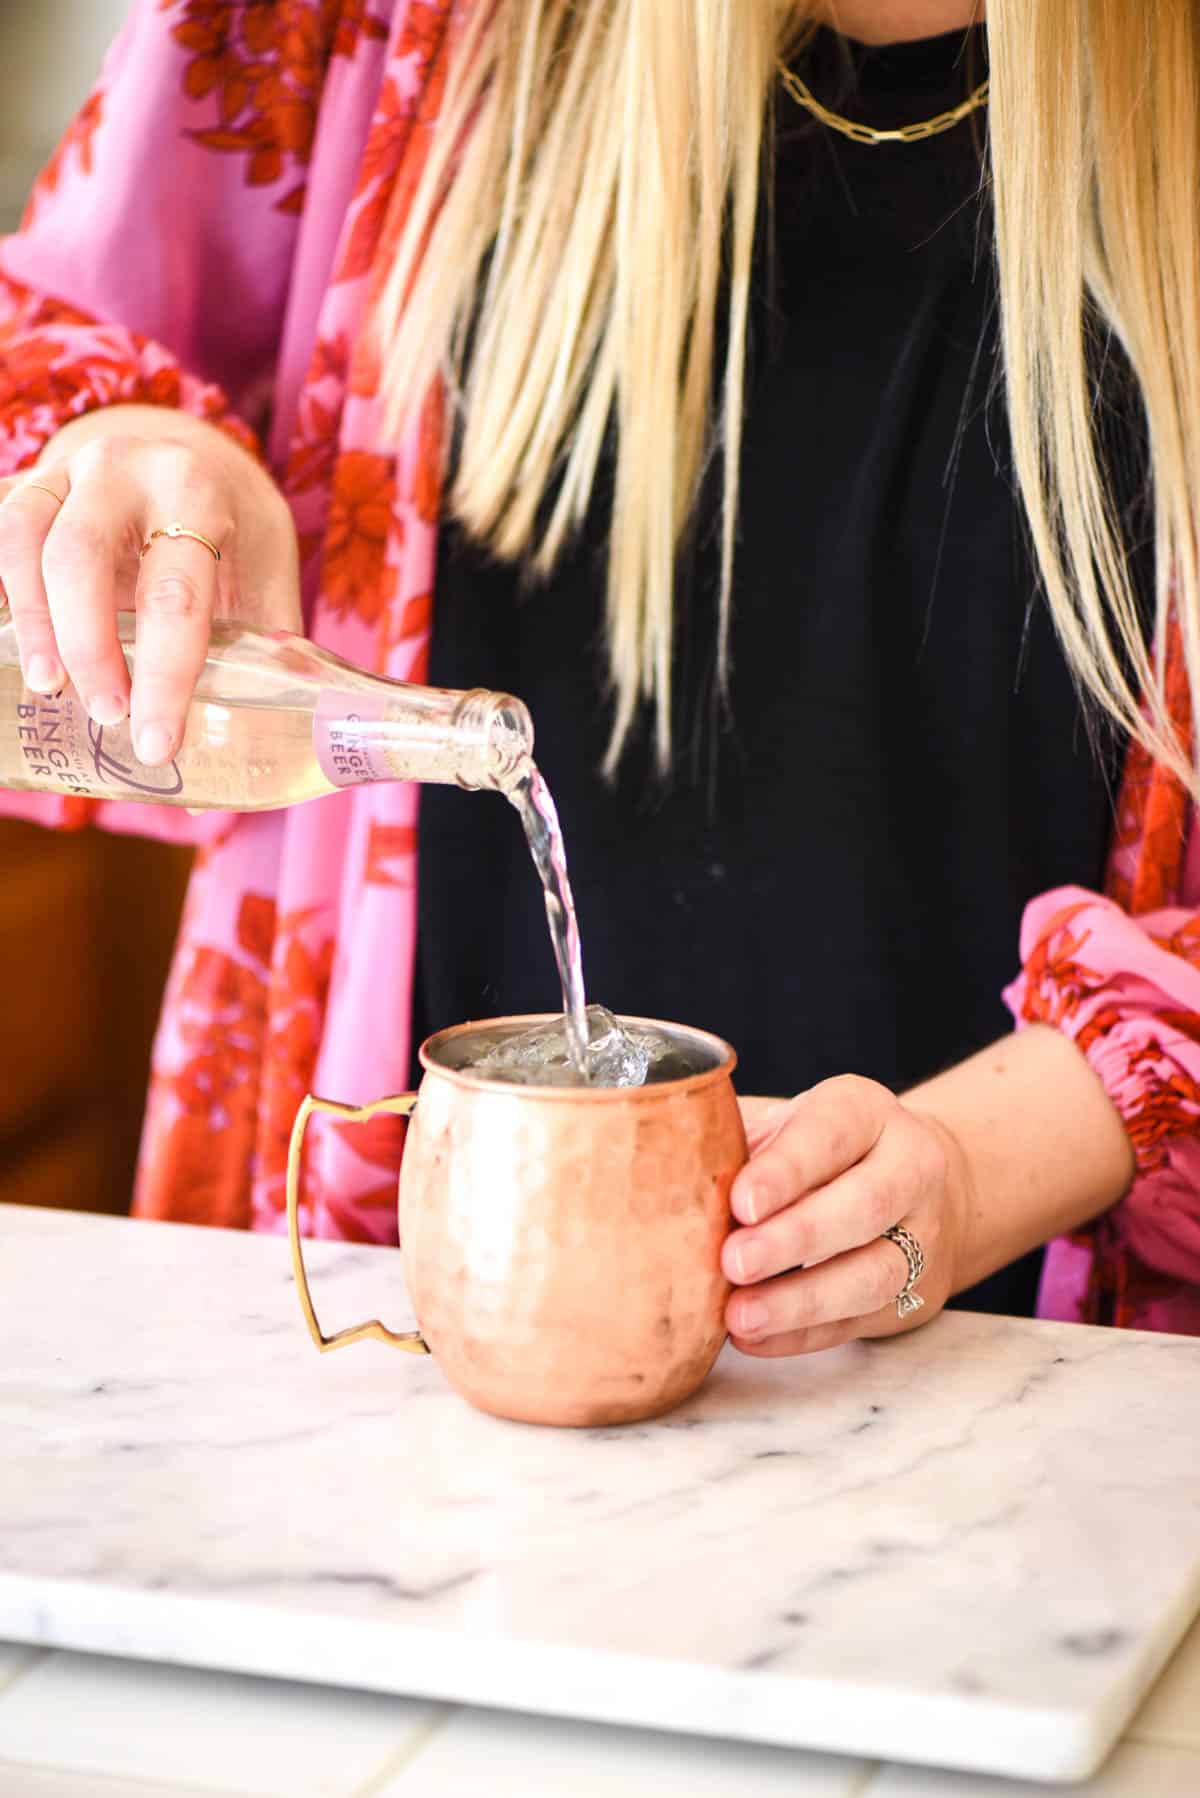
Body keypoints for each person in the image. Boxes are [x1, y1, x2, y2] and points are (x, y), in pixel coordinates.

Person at [0, 0, 1197, 1350]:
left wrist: (991, 1159)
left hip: (1051, 1429)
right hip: (382, 1370)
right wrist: (143, 453)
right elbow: (59, 330)